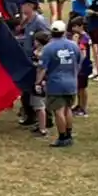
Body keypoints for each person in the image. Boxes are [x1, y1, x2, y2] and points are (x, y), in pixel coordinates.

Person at [38, 19, 79, 148]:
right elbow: (78, 61)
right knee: (68, 109)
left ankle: (62, 137)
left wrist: (38, 81)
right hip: (71, 81)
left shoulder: (48, 48)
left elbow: (43, 68)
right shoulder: (73, 45)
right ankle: (69, 133)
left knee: (58, 111)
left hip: (56, 83)